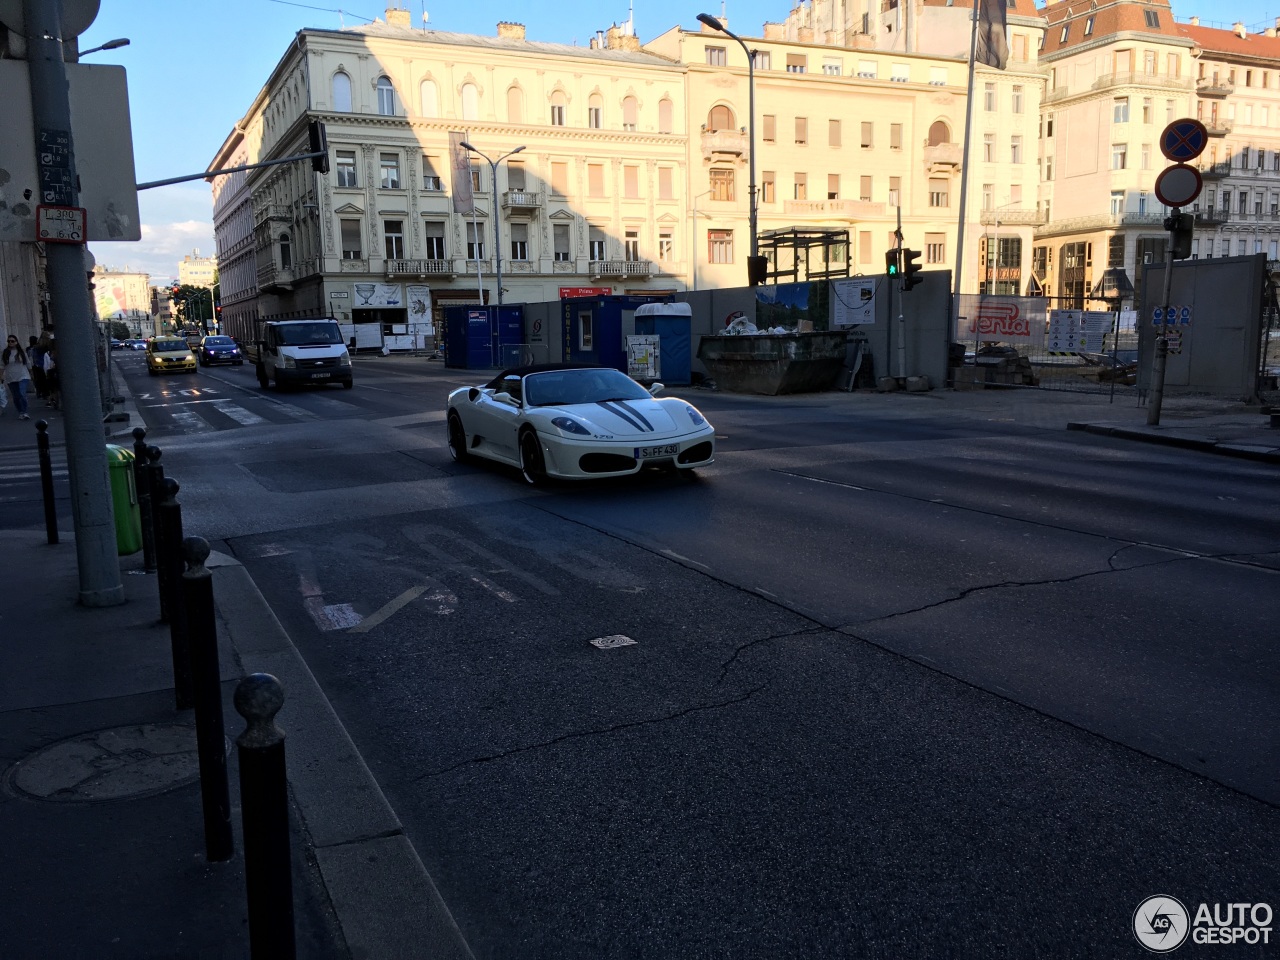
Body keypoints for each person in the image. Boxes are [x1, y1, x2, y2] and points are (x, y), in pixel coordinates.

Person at [2, 335, 33, 420]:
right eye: (9, 341)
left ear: (16, 342)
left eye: (12, 341)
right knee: (15, 397)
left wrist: (31, 373)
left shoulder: (21, 352)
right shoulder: (5, 352)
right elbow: (2, 366)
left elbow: (28, 363)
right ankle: (21, 412)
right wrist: (1, 377)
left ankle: (25, 412)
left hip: (23, 376)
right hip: (11, 377)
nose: (10, 343)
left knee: (22, 394)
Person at [27, 335, 47, 401]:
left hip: (34, 365)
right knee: (40, 379)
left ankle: (40, 391)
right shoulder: (36, 348)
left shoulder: (31, 348)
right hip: (38, 365)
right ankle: (41, 392)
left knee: (37, 379)